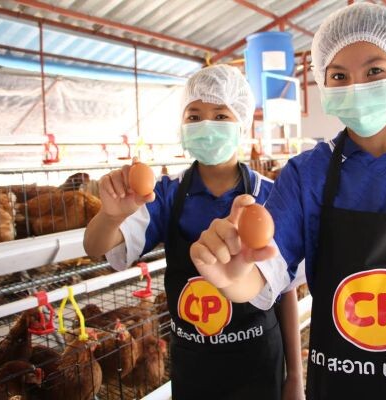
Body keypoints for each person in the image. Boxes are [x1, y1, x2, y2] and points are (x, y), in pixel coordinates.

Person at [190, 4, 386, 400]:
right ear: (324, 86)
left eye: (374, 71)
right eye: (339, 75)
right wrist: (231, 277)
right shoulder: (306, 175)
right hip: (341, 381)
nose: (356, 86)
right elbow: (262, 273)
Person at [83, 64, 304, 400]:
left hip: (257, 361)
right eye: (194, 115)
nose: (206, 125)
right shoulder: (167, 195)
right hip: (193, 364)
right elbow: (95, 245)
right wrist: (111, 216)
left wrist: (295, 378)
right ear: (182, 126)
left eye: (220, 116)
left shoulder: (270, 195)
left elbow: (284, 289)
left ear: (241, 124)